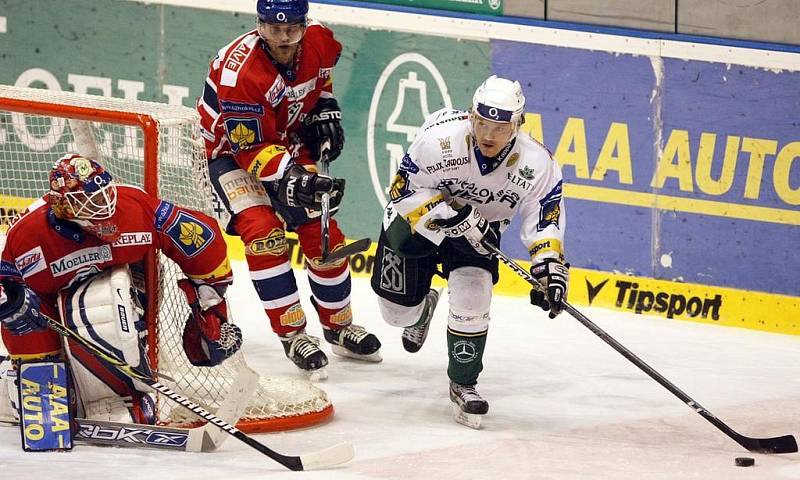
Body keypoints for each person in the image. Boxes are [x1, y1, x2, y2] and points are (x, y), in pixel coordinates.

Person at [370, 75, 569, 428]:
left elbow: (543, 221)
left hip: (481, 230)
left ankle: (464, 383)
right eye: (482, 123)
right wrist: (450, 215)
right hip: (417, 223)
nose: (488, 135)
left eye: (500, 127)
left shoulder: (538, 164)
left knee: (474, 290)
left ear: (518, 124)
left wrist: (548, 268)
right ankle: (421, 308)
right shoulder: (438, 141)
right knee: (397, 315)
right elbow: (402, 192)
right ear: (470, 117)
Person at [197, 0, 381, 376]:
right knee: (264, 234)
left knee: (322, 229)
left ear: (304, 23)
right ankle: (292, 333)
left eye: (292, 28)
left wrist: (324, 109)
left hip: (285, 142)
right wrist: (297, 178)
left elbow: (320, 80)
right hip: (229, 155)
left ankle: (339, 326)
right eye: (274, 29)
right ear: (259, 25)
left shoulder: (320, 40)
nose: (283, 37)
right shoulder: (240, 74)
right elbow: (250, 148)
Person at [0, 153, 241, 425]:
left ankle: (127, 391)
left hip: (125, 289)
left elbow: (201, 237)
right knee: (48, 407)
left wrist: (211, 308)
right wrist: (12, 304)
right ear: (62, 206)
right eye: (89, 202)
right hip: (49, 305)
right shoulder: (27, 235)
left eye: (104, 195)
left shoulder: (133, 206)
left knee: (113, 312)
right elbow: (5, 284)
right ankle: (17, 377)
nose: (104, 208)